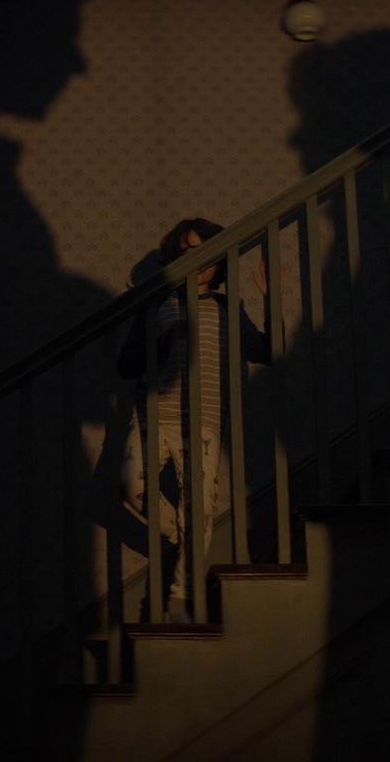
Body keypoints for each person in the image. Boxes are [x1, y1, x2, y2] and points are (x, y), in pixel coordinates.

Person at [117, 218, 271, 622]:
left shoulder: (226, 307)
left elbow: (264, 351)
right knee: (131, 484)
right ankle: (183, 534)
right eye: (185, 251)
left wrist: (270, 301)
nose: (195, 260)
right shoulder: (156, 305)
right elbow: (126, 365)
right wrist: (159, 344)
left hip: (203, 422)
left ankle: (181, 597)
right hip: (153, 417)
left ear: (219, 260)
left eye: (204, 251)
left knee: (199, 506)